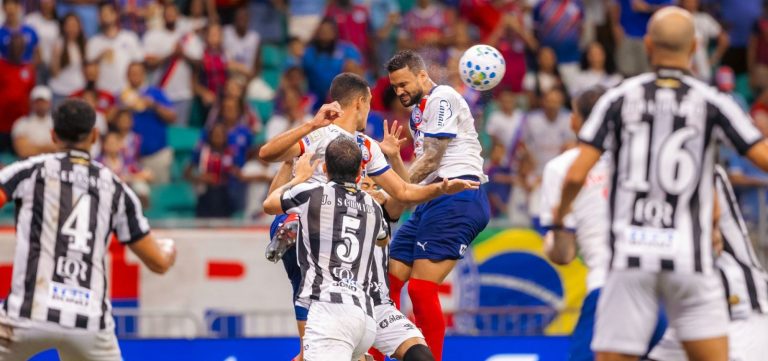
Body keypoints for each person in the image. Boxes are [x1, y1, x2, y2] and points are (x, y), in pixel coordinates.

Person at [554, 7, 768, 361]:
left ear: (648, 45)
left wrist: (558, 219)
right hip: (690, 261)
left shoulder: (618, 98)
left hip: (633, 258)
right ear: (695, 45)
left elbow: (577, 174)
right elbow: (759, 155)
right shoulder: (713, 101)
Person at [258, 72, 479, 361]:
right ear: (361, 101)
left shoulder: (369, 148)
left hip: (352, 278)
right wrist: (311, 125)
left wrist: (411, 169)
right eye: (371, 102)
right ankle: (293, 228)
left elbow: (402, 193)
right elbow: (267, 154)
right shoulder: (320, 132)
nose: (372, 109)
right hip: (312, 230)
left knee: (328, 351)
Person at [0, 99, 176, 360]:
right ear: (94, 136)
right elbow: (158, 263)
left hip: (26, 314)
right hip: (89, 323)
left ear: (53, 135)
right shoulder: (117, 189)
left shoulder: (29, 172)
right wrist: (169, 249)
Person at [539, 87, 667, 361]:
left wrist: (556, 229)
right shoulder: (646, 160)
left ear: (578, 121)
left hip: (610, 290)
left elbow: (564, 254)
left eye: (572, 113)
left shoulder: (562, 168)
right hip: (660, 291)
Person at [386, 50, 490, 360]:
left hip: (459, 194)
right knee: (385, 280)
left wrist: (396, 189)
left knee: (420, 289)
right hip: (432, 198)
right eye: (394, 87)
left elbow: (432, 158)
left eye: (404, 83)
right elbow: (417, 174)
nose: (400, 91)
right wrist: (393, 167)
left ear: (421, 75)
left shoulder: (441, 97)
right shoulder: (419, 111)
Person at [262, 138, 385, 361]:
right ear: (360, 173)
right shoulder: (373, 206)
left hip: (329, 309)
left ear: (325, 168)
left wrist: (298, 175)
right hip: (364, 317)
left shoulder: (313, 194)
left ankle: (295, 226)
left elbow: (269, 204)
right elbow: (383, 240)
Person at [647, 165, 768, 361]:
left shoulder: (695, 166)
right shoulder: (634, 169)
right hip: (688, 313)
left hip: (739, 310)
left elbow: (711, 242)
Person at [358, 176, 434, 361]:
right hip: (342, 305)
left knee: (421, 355)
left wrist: (394, 156)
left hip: (379, 306)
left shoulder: (383, 212)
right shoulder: (333, 212)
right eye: (365, 186)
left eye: (377, 186)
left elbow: (404, 190)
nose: (372, 191)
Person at [143, 2, 204, 127]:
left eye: (173, 13)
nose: (170, 16)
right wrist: (170, 55)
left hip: (183, 94)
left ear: (178, 16)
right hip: (159, 93)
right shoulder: (153, 36)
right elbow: (149, 64)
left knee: (179, 132)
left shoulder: (189, 37)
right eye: (167, 13)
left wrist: (183, 54)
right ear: (163, 16)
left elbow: (199, 63)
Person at [121, 62, 177, 184]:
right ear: (127, 76)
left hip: (156, 154)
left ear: (144, 75)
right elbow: (109, 119)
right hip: (130, 158)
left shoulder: (155, 93)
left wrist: (154, 105)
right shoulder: (122, 96)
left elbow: (172, 117)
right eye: (132, 73)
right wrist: (123, 107)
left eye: (138, 73)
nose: (135, 76)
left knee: (160, 194)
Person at [302, 18, 363, 110]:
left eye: (328, 30)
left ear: (335, 32)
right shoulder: (309, 52)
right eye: (322, 30)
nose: (325, 33)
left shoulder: (347, 49)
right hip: (316, 95)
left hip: (341, 94)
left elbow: (357, 71)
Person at [86, 2, 144, 95]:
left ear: (115, 15)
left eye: (107, 14)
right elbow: (88, 72)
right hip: (102, 92)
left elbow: (139, 65)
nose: (105, 17)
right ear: (98, 18)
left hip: (127, 91)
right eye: (102, 15)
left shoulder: (130, 37)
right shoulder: (93, 42)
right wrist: (99, 57)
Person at [185, 123, 236, 218]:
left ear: (225, 137)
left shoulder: (231, 153)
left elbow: (238, 174)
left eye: (220, 135)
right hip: (205, 194)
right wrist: (200, 177)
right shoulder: (202, 152)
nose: (218, 137)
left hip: (224, 195)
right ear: (210, 136)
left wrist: (229, 173)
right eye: (215, 134)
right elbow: (186, 174)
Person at [0, 33, 36, 153]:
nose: (16, 49)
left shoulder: (28, 69)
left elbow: (31, 93)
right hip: (2, 121)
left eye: (19, 46)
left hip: (20, 121)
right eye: (14, 46)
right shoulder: (1, 66)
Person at [49, 13, 86, 106]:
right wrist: (56, 57)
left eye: (74, 25)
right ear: (64, 27)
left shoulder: (83, 44)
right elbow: (55, 73)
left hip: (78, 90)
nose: (72, 29)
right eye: (69, 25)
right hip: (60, 91)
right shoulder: (58, 43)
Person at [12, 85, 57, 159]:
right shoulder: (21, 123)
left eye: (43, 101)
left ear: (49, 103)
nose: (40, 105)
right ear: (31, 103)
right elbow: (24, 151)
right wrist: (50, 148)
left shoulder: (56, 123)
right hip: (29, 166)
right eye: (37, 102)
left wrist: (35, 148)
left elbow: (61, 148)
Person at [222, 5, 260, 79]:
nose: (242, 20)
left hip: (248, 77)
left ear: (249, 19)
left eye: (244, 17)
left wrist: (248, 81)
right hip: (228, 76)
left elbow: (258, 66)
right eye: (239, 17)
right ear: (235, 19)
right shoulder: (226, 32)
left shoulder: (254, 38)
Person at [0, 0, 39, 65]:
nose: (11, 11)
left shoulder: (30, 31)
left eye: (13, 8)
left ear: (19, 7)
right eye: (8, 9)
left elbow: (38, 55)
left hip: (26, 72)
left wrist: (29, 69)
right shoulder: (1, 33)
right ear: (3, 8)